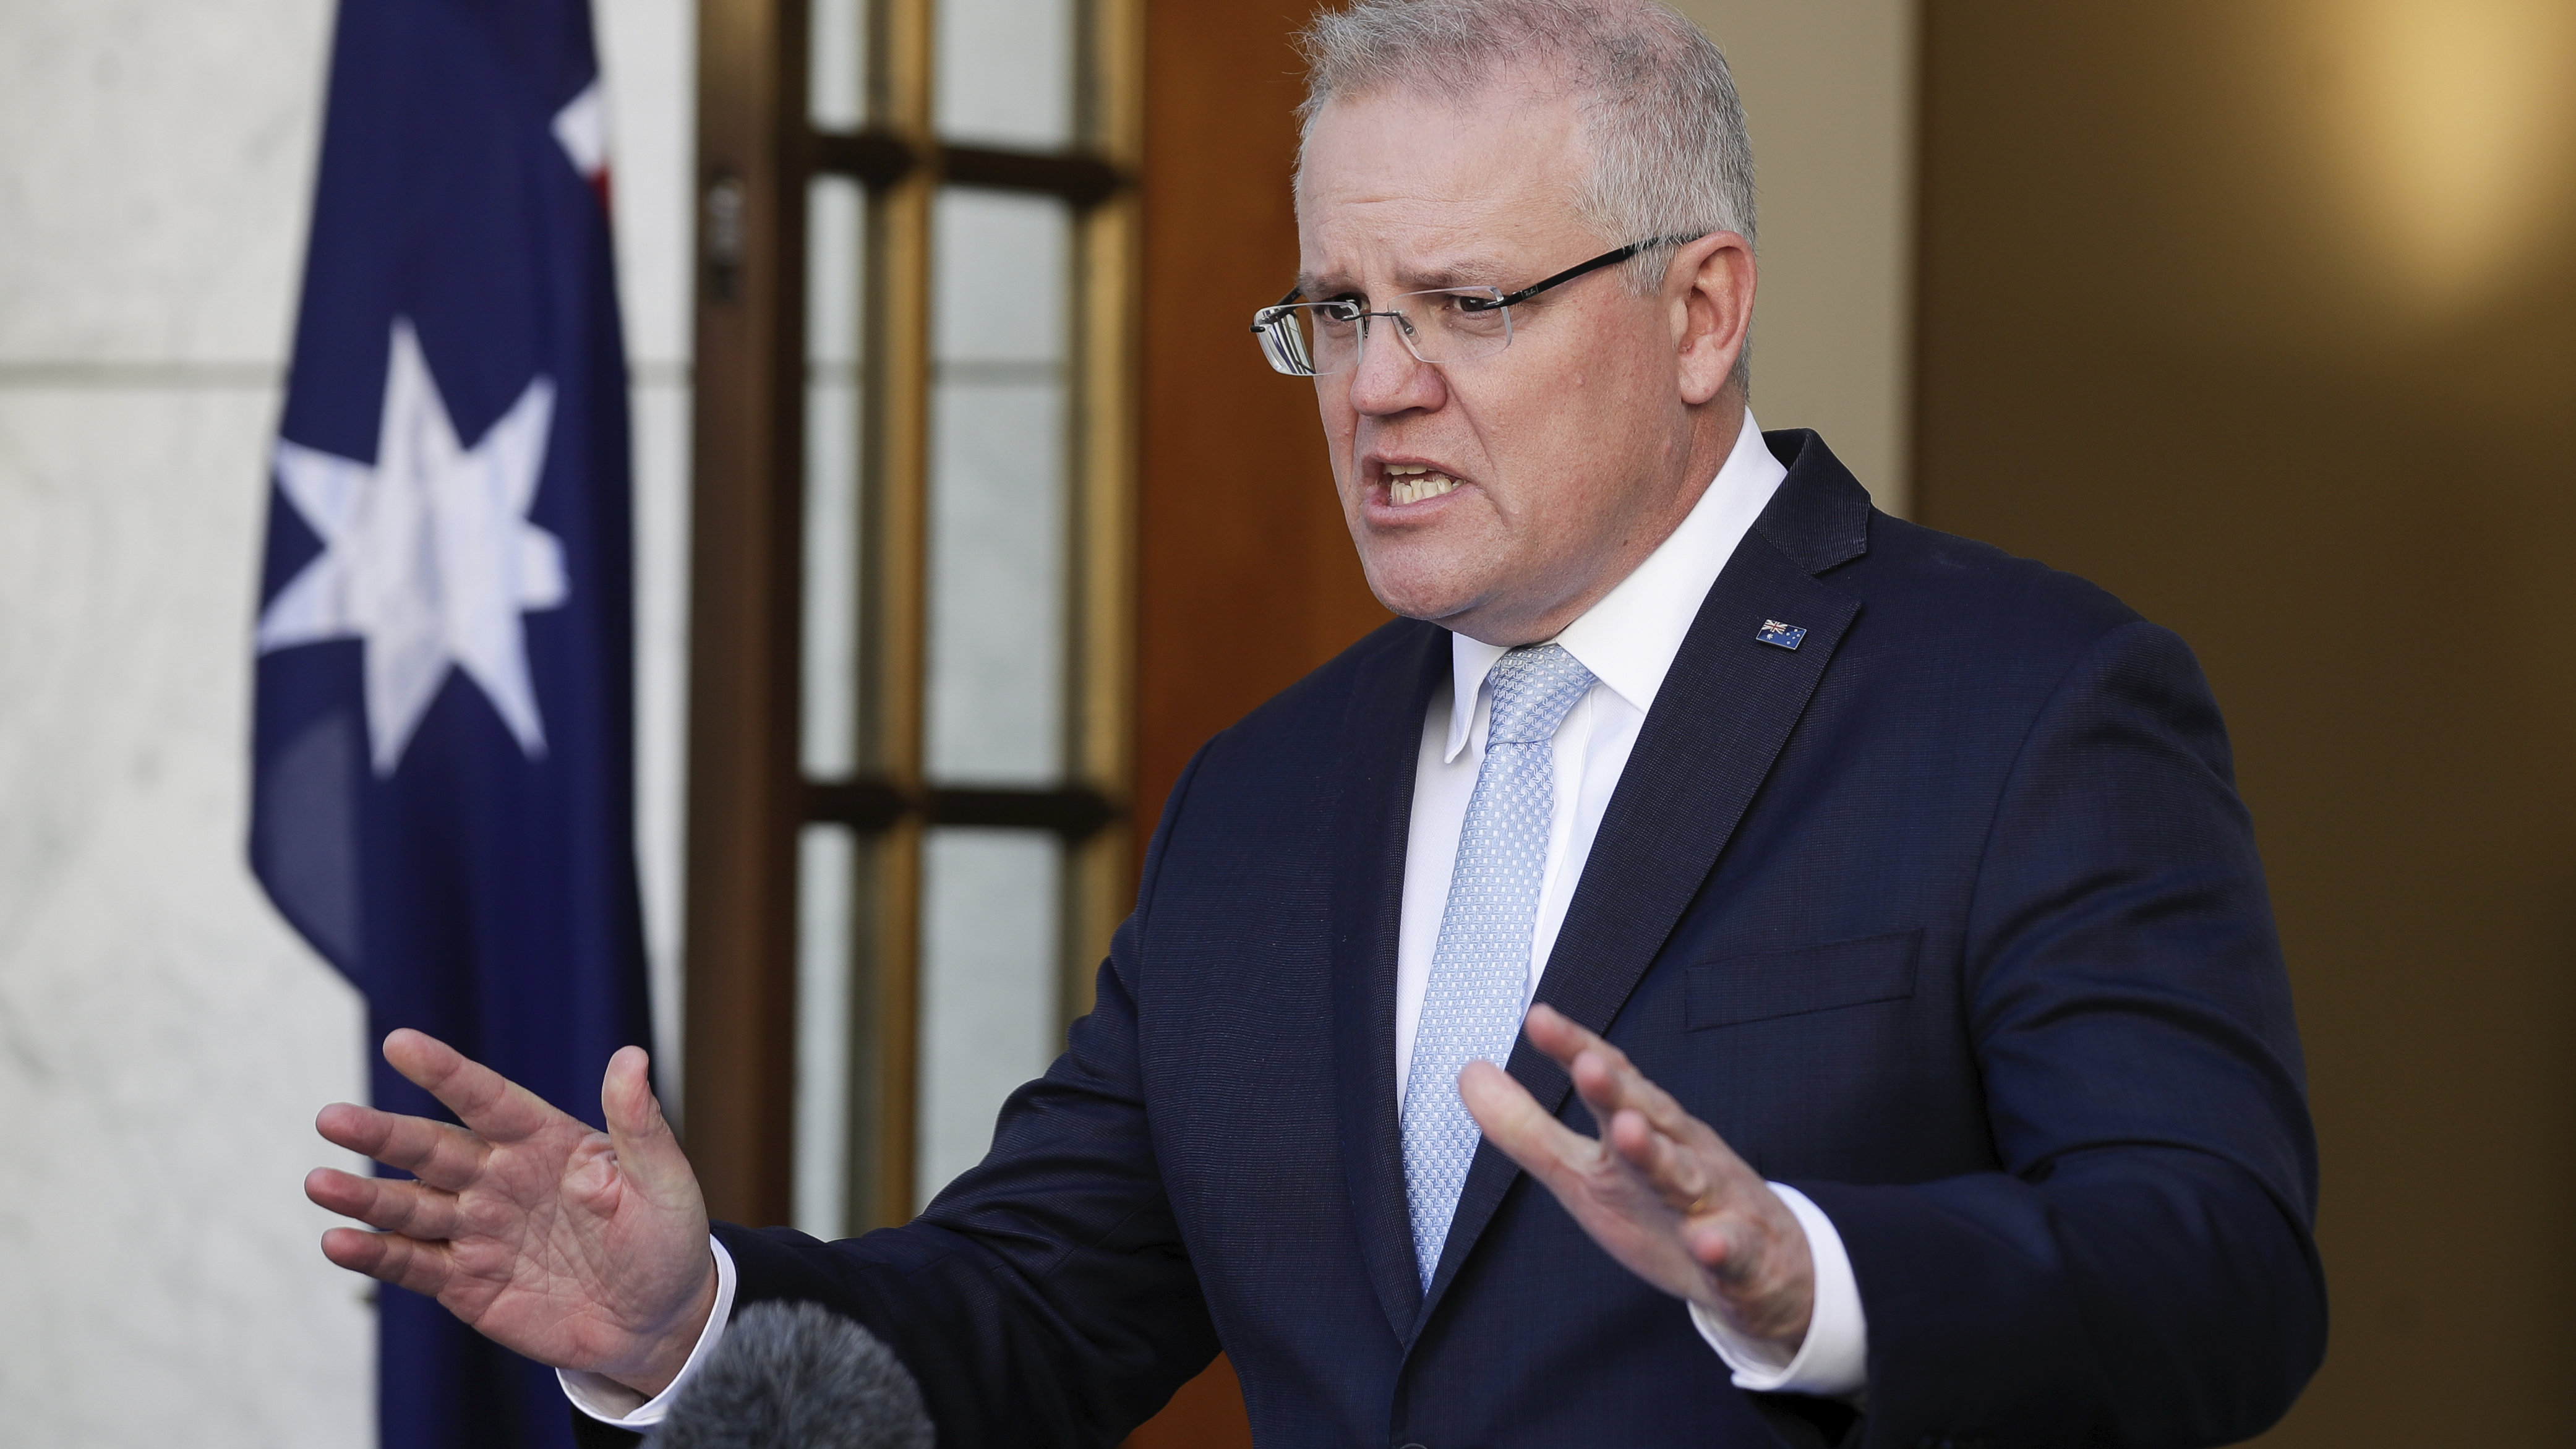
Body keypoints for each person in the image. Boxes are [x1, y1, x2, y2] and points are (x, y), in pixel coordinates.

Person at [306, 1, 2327, 1443]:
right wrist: (693, 1330)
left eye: (1467, 303)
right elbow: (1031, 1320)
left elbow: (2221, 1279)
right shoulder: (1271, 797)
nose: (1375, 389)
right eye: (1337, 314)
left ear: (1701, 313)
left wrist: (1810, 1275)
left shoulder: (2031, 706)